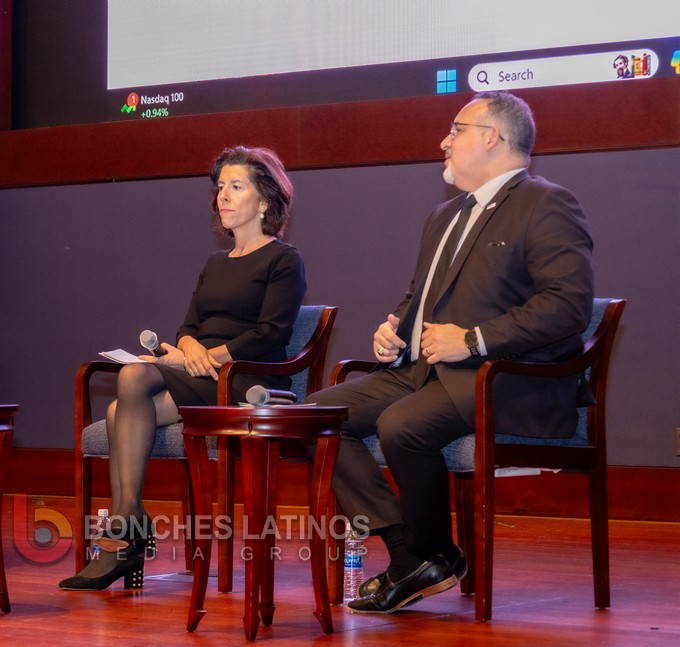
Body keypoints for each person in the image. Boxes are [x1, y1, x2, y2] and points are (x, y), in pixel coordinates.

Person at [308, 92, 594, 613]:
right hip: (424, 370)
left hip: (503, 376)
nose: (444, 141)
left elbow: (566, 306)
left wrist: (472, 339)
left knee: (402, 425)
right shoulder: (443, 216)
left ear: (492, 137)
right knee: (316, 418)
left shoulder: (545, 203)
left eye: (456, 129)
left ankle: (426, 555)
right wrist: (394, 331)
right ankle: (413, 554)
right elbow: (421, 298)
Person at [59, 146, 307, 590]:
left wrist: (206, 357)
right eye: (220, 188)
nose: (223, 196)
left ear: (265, 200)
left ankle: (125, 531)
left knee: (133, 377)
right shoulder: (215, 263)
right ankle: (128, 526)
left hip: (245, 378)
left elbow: (270, 333)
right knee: (117, 411)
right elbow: (189, 327)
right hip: (199, 374)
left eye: (236, 187)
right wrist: (188, 348)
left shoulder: (283, 259)